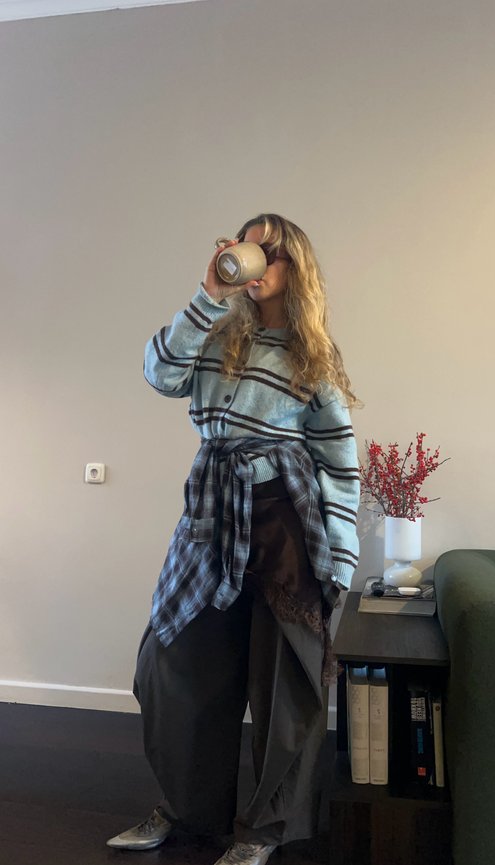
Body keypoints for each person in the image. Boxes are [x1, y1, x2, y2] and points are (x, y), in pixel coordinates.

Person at [106, 213, 361, 865]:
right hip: (212, 510)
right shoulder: (218, 334)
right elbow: (159, 372)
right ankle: (191, 812)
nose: (254, 259)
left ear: (292, 266)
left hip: (284, 516)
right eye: (248, 245)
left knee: (282, 680)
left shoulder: (313, 358)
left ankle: (266, 827)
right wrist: (207, 292)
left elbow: (339, 463)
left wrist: (341, 557)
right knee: (173, 661)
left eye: (268, 250)